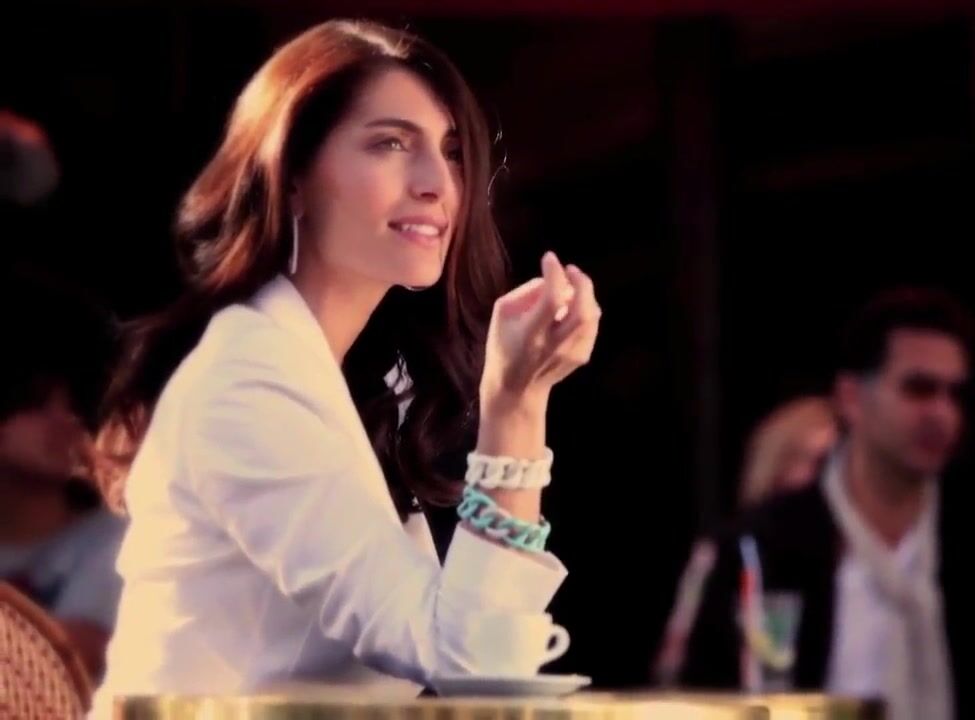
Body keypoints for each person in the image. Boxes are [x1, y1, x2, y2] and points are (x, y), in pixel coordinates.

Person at [90, 20, 601, 713]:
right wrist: (515, 403)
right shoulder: (248, 382)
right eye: (391, 143)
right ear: (291, 179)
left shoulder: (363, 377)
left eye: (451, 152)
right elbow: (476, 666)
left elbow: (491, 666)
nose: (437, 184)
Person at [681, 287, 973, 720]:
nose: (942, 413)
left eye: (954, 394)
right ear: (852, 397)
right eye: (919, 389)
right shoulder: (764, 545)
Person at [653, 395, 837, 685]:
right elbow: (674, 666)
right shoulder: (732, 549)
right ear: (777, 462)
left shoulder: (852, 558)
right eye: (820, 462)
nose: (831, 477)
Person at [0, 268, 122, 683]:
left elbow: (60, 668)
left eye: (75, 403)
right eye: (34, 401)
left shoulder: (111, 544)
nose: (64, 421)